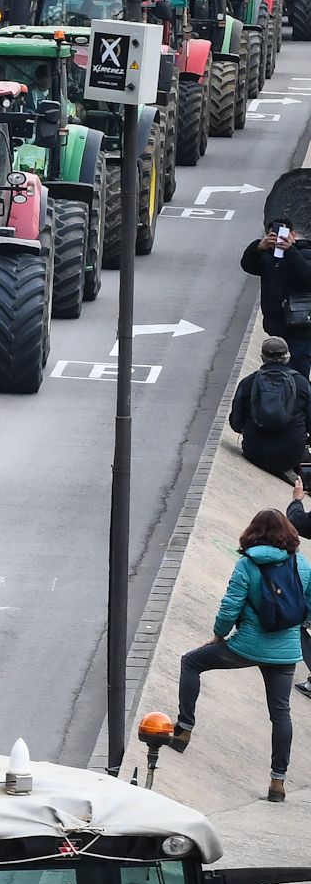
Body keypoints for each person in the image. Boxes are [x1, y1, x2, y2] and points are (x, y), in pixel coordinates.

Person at [171, 507, 311, 802]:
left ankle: (183, 729)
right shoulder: (300, 562)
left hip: (245, 646)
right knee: (281, 714)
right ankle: (277, 782)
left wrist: (218, 635)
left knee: (191, 662)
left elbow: (230, 607)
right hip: (285, 653)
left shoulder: (247, 564)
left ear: (253, 532)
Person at [234, 338, 311, 480]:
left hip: (254, 451)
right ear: (287, 357)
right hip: (291, 455)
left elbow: (236, 424)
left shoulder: (247, 382)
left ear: (262, 357)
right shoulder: (302, 383)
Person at [243, 222, 311, 348]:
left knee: (298, 366)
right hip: (275, 329)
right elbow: (248, 265)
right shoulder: (268, 257)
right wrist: (258, 247)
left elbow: (307, 278)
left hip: (301, 327)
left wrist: (290, 251)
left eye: (284, 234)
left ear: (293, 235)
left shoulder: (305, 253)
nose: (280, 239)